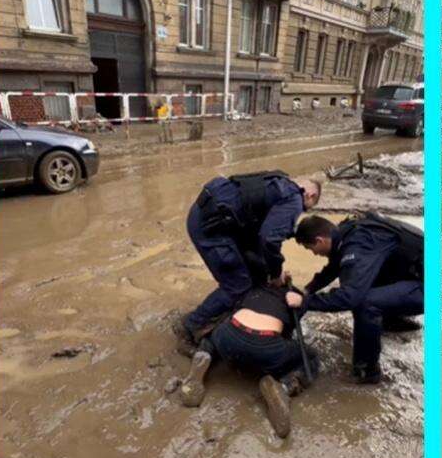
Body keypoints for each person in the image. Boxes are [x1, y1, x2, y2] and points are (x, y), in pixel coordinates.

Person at [173, 171, 323, 351]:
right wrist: (275, 274)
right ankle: (191, 326)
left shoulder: (277, 182)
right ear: (311, 195)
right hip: (211, 229)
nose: (301, 211)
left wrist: (270, 269)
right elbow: (270, 239)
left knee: (251, 270)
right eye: (307, 208)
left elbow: (259, 235)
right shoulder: (294, 199)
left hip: (208, 215)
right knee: (237, 285)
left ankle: (230, 311)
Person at [293, 212, 424, 383]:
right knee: (361, 280)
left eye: (311, 249)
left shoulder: (358, 244)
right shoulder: (347, 233)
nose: (314, 254)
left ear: (320, 240)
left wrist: (306, 302)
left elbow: (349, 298)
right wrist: (308, 290)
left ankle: (366, 372)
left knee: (365, 302)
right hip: (415, 271)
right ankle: (393, 322)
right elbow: (335, 267)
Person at [179, 283, 309, 437]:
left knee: (214, 333)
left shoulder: (250, 285)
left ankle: (203, 355)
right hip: (266, 348)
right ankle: (285, 386)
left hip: (230, 336)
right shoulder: (295, 299)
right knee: (310, 357)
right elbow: (288, 332)